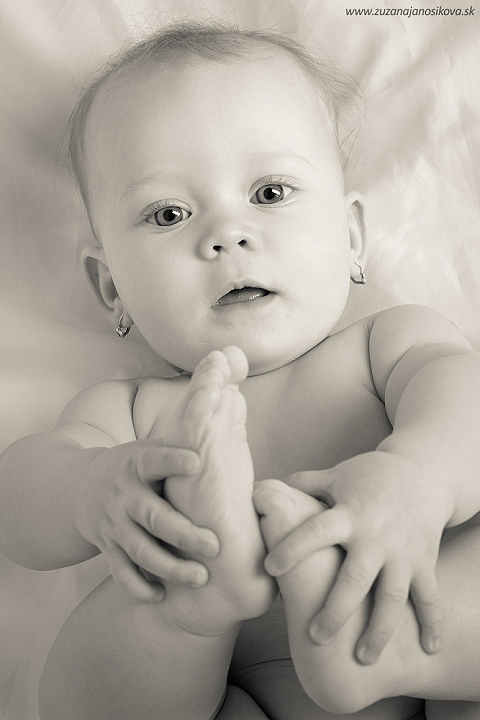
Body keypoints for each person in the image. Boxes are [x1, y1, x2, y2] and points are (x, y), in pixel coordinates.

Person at [1, 22, 480, 720]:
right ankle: (195, 610)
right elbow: (16, 501)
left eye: (270, 193)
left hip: (409, 626)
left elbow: (467, 406)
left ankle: (400, 647)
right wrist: (86, 490)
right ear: (112, 288)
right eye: (169, 213)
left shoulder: (387, 343)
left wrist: (417, 479)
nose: (227, 234)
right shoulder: (134, 414)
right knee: (85, 675)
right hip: (233, 696)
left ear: (351, 236)